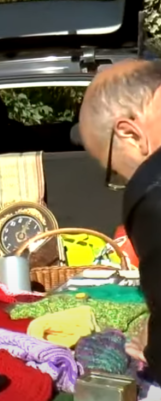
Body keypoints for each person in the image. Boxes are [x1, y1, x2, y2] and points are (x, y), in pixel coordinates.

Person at [78, 58, 161, 382]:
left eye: (115, 170)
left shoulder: (154, 190)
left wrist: (153, 347)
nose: (127, 180)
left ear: (129, 134)